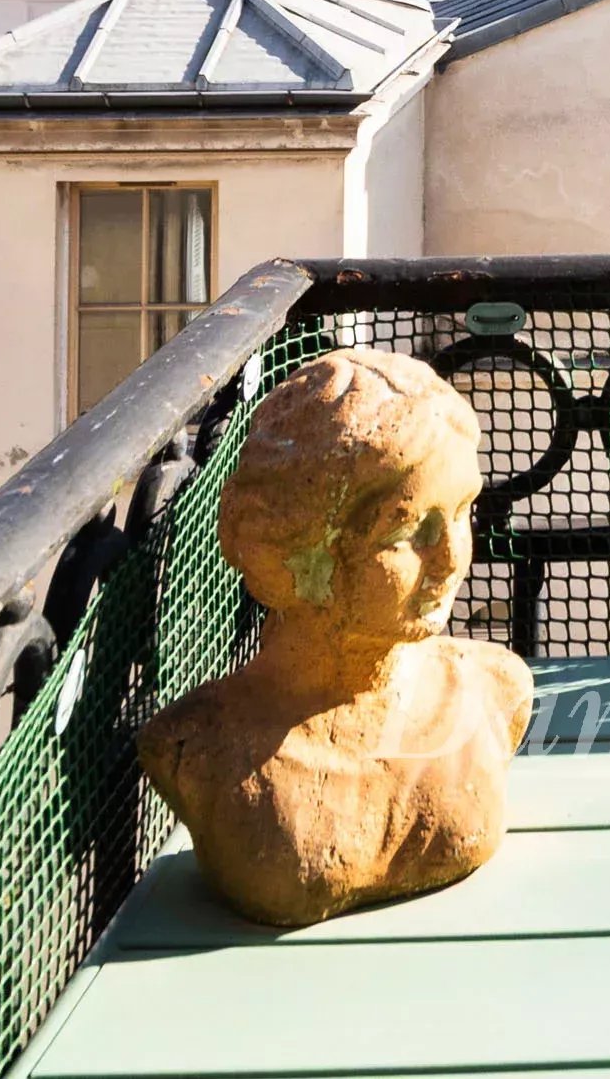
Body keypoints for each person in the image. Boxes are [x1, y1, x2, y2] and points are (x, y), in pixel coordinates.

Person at [138, 348, 535, 926]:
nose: (451, 557)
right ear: (301, 552)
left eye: (462, 512)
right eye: (407, 530)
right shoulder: (195, 749)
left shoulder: (496, 689)